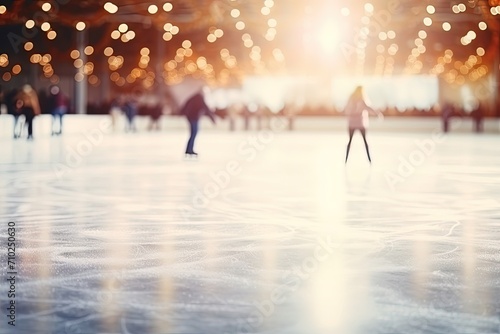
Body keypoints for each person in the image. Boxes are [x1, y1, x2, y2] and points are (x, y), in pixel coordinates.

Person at [344, 86, 383, 163]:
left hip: (351, 123)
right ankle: (369, 160)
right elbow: (368, 108)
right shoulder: (362, 100)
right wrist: (377, 113)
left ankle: (346, 160)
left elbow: (346, 110)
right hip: (360, 123)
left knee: (350, 141)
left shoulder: (350, 100)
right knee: (365, 141)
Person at [180, 88, 217, 157]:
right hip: (193, 117)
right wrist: (212, 118)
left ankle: (189, 149)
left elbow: (186, 104)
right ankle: (189, 150)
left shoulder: (195, 97)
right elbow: (205, 108)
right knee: (194, 133)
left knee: (193, 133)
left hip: (191, 117)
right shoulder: (199, 97)